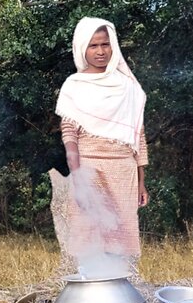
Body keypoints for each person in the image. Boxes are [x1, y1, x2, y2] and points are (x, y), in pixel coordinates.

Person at [54, 17, 149, 276]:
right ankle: (90, 290)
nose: (100, 51)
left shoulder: (128, 86)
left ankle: (120, 292)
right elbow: (69, 132)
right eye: (93, 45)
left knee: (121, 236)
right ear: (82, 48)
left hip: (124, 171)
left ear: (113, 46)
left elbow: (137, 135)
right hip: (89, 168)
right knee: (90, 233)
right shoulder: (75, 85)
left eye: (105, 44)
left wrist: (141, 182)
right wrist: (78, 175)